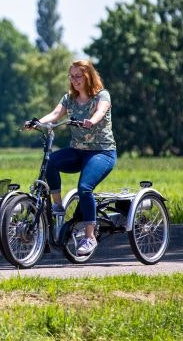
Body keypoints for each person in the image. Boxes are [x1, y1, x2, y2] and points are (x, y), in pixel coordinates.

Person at [28, 59, 116, 255]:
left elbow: (101, 111)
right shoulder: (69, 98)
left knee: (84, 188)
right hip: (78, 152)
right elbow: (55, 114)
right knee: (50, 162)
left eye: (79, 76)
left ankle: (90, 237)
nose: (75, 80)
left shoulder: (102, 95)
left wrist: (91, 121)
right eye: (72, 76)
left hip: (102, 152)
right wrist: (37, 122)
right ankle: (58, 205)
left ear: (88, 76)